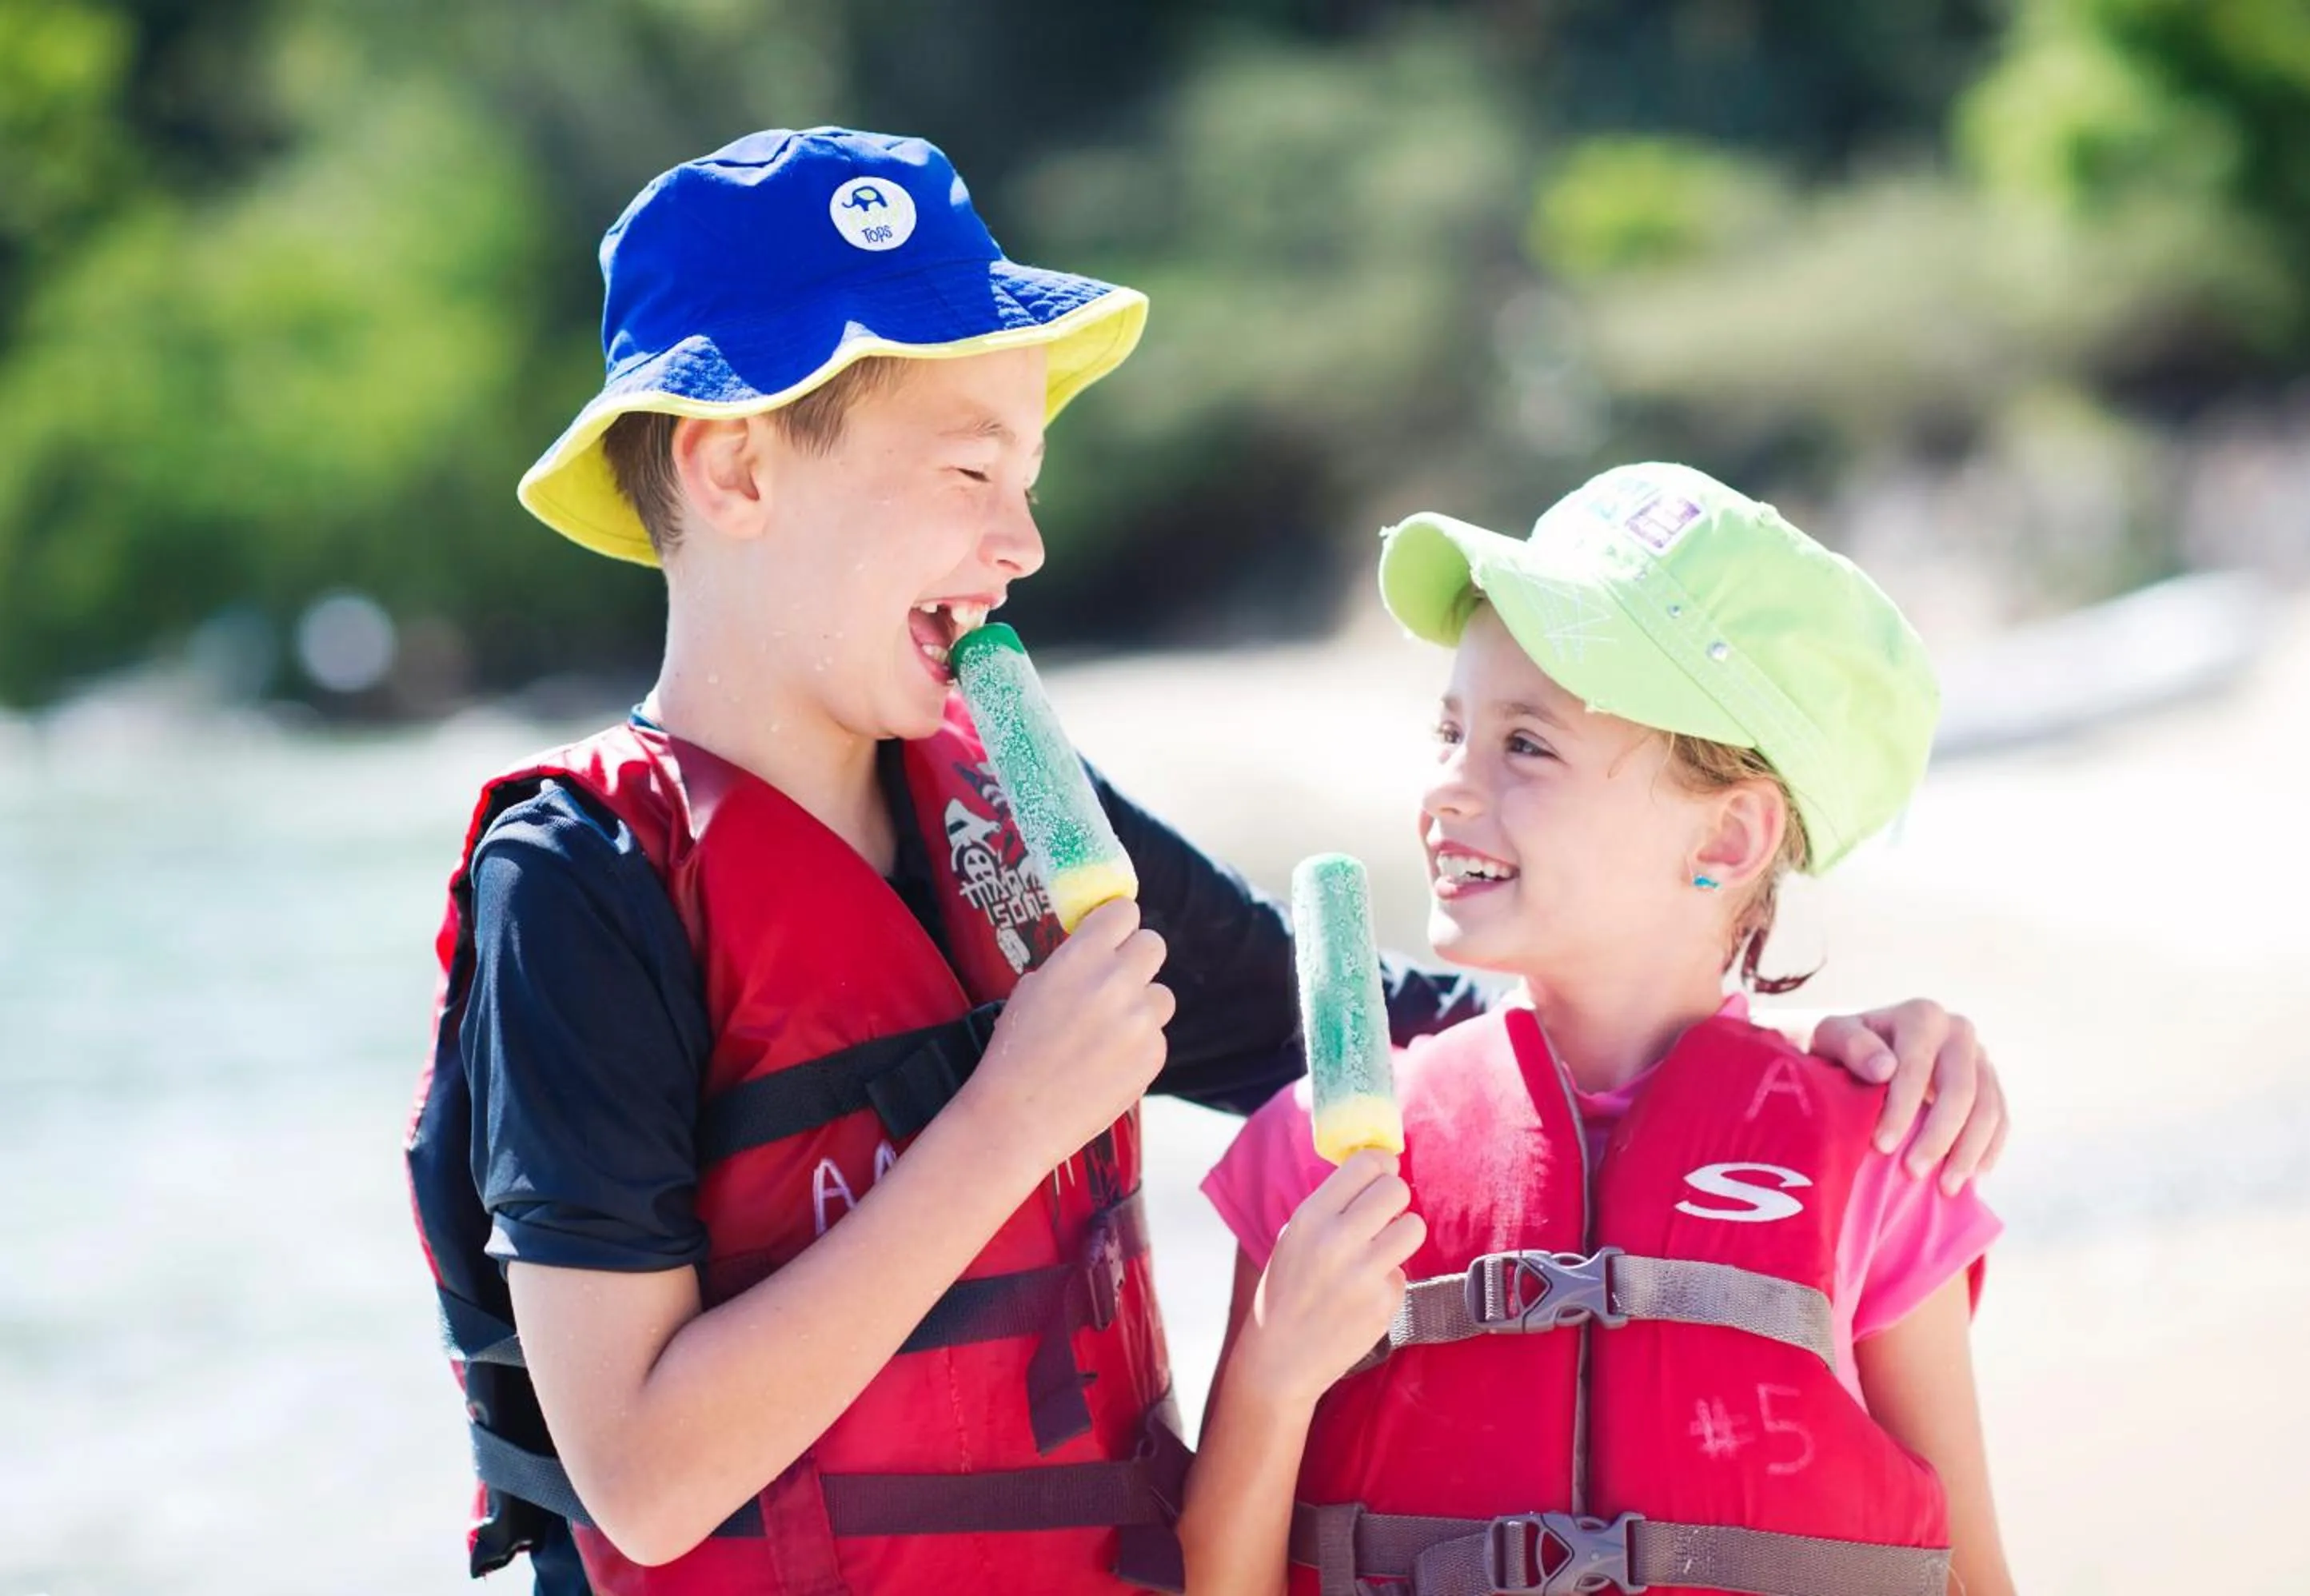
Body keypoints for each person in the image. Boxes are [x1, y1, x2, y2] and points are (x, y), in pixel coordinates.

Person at [401, 130, 2010, 1595]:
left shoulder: (1021, 812)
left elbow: (1389, 1032)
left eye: (1027, 483)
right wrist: (1008, 1117)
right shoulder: (588, 879)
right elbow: (648, 1476)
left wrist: (1807, 1063)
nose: (1022, 543)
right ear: (737, 469)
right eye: (970, 475)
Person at [1182, 464, 2016, 1596]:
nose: (1446, 790)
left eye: (1526, 746)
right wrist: (1274, 1380)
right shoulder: (1315, 1151)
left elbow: (1974, 1575)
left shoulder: (1881, 1159)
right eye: (1451, 729)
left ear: (1728, 840)